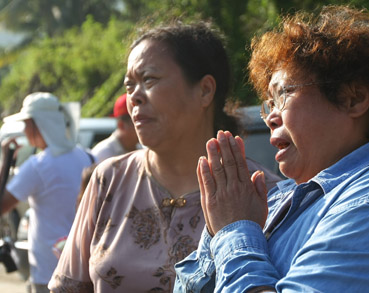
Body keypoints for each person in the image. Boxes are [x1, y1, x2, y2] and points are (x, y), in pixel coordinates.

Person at [174, 5, 369, 292]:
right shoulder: (283, 198)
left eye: (283, 95)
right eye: (268, 103)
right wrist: (218, 227)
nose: (269, 116)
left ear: (353, 98)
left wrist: (234, 231)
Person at [48, 21, 280, 292]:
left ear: (205, 90)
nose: (134, 97)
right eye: (129, 85)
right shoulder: (108, 180)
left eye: (149, 80)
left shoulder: (264, 194)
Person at [0, 92, 95, 293]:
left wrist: (5, 161)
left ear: (39, 125)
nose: (25, 130)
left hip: (48, 273)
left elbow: (2, 206)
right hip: (83, 267)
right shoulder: (86, 156)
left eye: (27, 124)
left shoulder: (38, 166)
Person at [91, 93, 140, 163]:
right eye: (137, 121)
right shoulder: (103, 154)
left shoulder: (142, 149)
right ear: (121, 125)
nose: (146, 126)